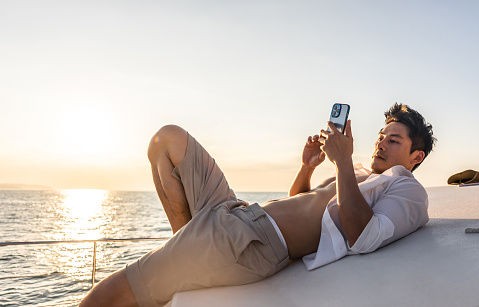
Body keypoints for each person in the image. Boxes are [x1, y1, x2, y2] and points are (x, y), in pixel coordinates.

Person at [80, 103, 436, 307]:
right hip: (236, 212)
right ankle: (186, 245)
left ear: (416, 155)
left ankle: (187, 255)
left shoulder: (408, 190)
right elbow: (300, 201)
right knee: (166, 140)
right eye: (380, 136)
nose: (381, 144)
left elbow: (364, 236)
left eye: (393, 140)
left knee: (101, 299)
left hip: (250, 241)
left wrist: (342, 161)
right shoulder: (358, 172)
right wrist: (308, 167)